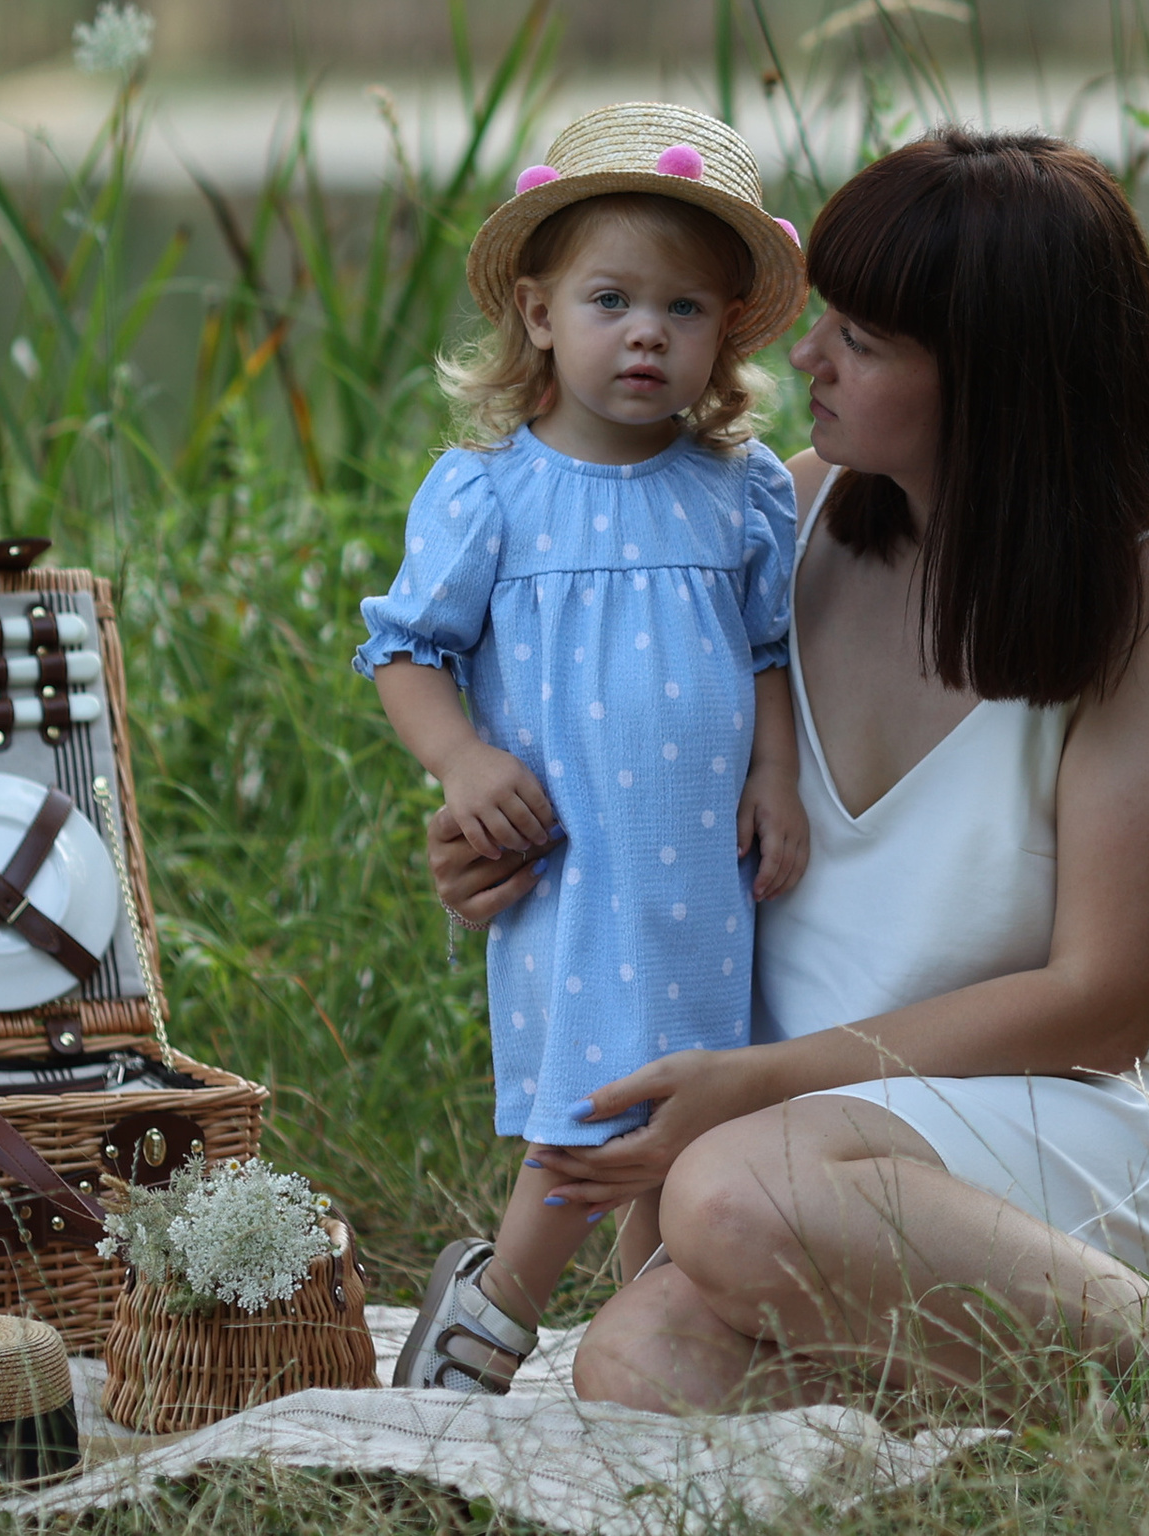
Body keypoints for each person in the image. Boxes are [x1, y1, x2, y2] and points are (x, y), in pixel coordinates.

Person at [428, 130, 1149, 1474]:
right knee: (635, 1368)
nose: (807, 356)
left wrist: (755, 1087)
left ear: (996, 378)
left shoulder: (1144, 589)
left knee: (731, 1195)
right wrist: (509, 847)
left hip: (1079, 1119)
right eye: (824, 317)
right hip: (805, 1164)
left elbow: (1103, 1007)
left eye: (866, 337)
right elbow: (638, 787)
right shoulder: (783, 518)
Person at [357, 103, 812, 1395]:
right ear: (540, 314)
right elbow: (405, 650)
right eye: (611, 300)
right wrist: (459, 762)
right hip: (579, 854)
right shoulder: (490, 489)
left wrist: (775, 777)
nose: (647, 335)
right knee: (605, 1084)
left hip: (702, 865)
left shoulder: (742, 489)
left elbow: (769, 651)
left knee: (690, 1082)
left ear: (724, 333)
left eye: (684, 310)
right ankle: (494, 1313)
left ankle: (653, 1316)